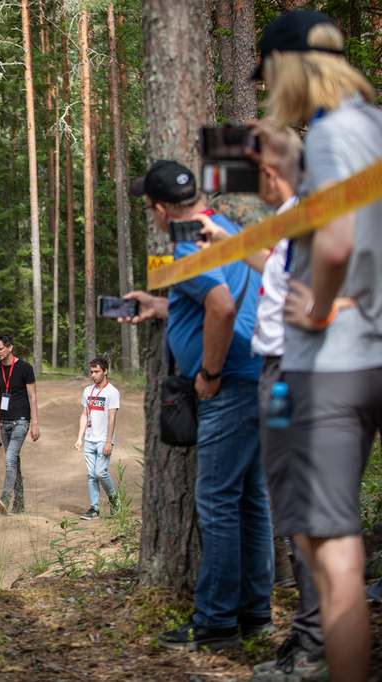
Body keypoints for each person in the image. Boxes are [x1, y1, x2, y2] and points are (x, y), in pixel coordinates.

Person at [255, 11, 382, 681]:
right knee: (326, 545)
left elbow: (333, 242)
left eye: (269, 75)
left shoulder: (334, 133)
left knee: (335, 561)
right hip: (368, 356)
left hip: (328, 366)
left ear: (288, 68)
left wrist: (323, 302)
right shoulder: (374, 128)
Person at [198, 128, 329, 680]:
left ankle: (315, 642)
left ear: (271, 176)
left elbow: (328, 290)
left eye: (254, 179)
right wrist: (226, 242)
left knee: (296, 505)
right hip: (275, 376)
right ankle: (302, 632)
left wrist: (323, 313)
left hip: (291, 375)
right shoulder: (291, 219)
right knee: (275, 496)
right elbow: (273, 267)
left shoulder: (314, 213)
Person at [129, 159, 274, 652]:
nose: (151, 215)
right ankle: (255, 611)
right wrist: (162, 307)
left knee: (216, 504)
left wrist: (208, 375)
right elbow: (223, 295)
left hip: (229, 384)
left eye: (149, 207)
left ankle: (215, 621)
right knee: (251, 501)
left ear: (164, 210)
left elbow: (223, 306)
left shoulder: (189, 244)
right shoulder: (225, 230)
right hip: (259, 377)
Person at [0, 332, 40, 515]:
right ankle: (20, 504)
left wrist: (35, 424)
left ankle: (5, 497)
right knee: (14, 463)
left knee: (10, 459)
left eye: (1, 348)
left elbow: (33, 397)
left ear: (10, 347)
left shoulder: (25, 368)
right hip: (4, 422)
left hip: (21, 421)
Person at [74, 357, 119, 520]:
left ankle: (113, 498)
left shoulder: (112, 392)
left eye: (97, 372)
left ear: (105, 371)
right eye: (92, 372)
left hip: (103, 440)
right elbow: (85, 414)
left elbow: (112, 418)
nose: (93, 375)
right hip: (90, 439)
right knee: (91, 474)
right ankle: (94, 508)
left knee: (100, 472)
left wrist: (108, 441)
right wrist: (80, 437)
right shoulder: (88, 391)